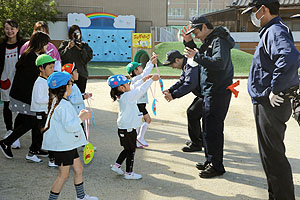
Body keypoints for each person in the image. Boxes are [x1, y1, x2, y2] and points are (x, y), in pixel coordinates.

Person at [242, 0, 300, 199]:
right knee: (270, 156)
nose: (251, 16)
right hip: (268, 101)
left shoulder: (275, 30)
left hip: (271, 103)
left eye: (253, 12)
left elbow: (289, 58)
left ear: (263, 9)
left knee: (273, 157)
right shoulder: (272, 30)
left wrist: (275, 88)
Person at [183, 15, 234, 178]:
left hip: (218, 91)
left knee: (213, 130)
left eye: (196, 32)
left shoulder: (219, 40)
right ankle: (210, 159)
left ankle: (217, 166)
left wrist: (196, 56)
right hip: (210, 91)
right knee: (208, 128)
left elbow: (219, 63)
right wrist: (188, 42)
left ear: (204, 26)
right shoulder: (211, 40)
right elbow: (202, 54)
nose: (195, 35)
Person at [42, 72, 98, 200]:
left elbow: (66, 122)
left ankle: (81, 196)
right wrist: (81, 118)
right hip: (63, 145)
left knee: (78, 169)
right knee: (63, 175)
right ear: (65, 87)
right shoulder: (63, 105)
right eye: (70, 83)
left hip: (67, 143)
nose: (72, 85)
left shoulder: (60, 101)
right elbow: (70, 126)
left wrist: (79, 116)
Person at [0, 31, 50, 159]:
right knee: (32, 121)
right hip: (24, 96)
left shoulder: (33, 55)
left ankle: (36, 148)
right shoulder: (31, 57)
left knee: (35, 121)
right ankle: (7, 142)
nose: (47, 46)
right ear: (40, 43)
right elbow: (36, 77)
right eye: (46, 44)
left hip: (27, 96)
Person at [108, 74, 159, 180]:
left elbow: (135, 87)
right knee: (131, 150)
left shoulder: (124, 95)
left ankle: (117, 166)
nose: (129, 84)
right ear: (122, 87)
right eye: (127, 83)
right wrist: (150, 81)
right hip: (128, 129)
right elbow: (139, 90)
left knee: (127, 149)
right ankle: (129, 173)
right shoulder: (128, 96)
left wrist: (144, 80)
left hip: (125, 128)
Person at [162, 50, 203, 152]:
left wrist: (174, 95)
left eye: (172, 64)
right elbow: (182, 81)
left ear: (177, 60)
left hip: (208, 94)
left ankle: (197, 144)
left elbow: (190, 84)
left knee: (192, 113)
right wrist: (171, 90)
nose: (172, 67)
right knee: (193, 113)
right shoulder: (186, 65)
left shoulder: (190, 64)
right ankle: (199, 140)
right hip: (203, 94)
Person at [0, 19, 26, 149]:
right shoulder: (2, 45)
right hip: (5, 80)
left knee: (21, 107)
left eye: (12, 28)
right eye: (6, 28)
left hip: (20, 80)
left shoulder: (23, 45)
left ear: (17, 29)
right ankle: (9, 130)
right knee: (7, 105)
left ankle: (16, 134)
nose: (9, 31)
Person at [61, 63, 95, 151]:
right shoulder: (69, 86)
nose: (78, 73)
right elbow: (72, 99)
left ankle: (84, 145)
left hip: (78, 112)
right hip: (75, 113)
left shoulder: (73, 85)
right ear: (70, 75)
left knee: (80, 129)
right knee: (77, 129)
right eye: (75, 72)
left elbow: (76, 96)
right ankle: (81, 145)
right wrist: (83, 97)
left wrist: (84, 95)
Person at [31, 54, 57, 166]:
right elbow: (38, 99)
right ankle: (52, 159)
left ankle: (33, 153)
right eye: (50, 67)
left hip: (45, 112)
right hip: (41, 113)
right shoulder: (39, 82)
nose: (52, 69)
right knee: (47, 134)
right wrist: (51, 98)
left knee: (41, 135)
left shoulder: (46, 80)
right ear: (41, 68)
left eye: (53, 67)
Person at [126, 54, 157, 148]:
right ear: (135, 70)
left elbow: (145, 73)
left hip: (139, 103)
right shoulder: (137, 78)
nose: (141, 67)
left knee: (139, 122)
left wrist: (151, 62)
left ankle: (137, 141)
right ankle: (140, 137)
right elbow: (145, 73)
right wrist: (151, 63)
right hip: (140, 104)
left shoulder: (135, 78)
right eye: (139, 67)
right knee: (148, 119)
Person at [58, 25, 93, 93]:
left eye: (78, 33)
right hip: (67, 75)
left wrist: (82, 49)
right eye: (74, 33)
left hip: (81, 74)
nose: (76, 35)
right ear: (70, 34)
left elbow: (87, 58)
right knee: (66, 95)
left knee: (80, 95)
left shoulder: (84, 45)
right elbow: (61, 57)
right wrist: (68, 48)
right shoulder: (65, 43)